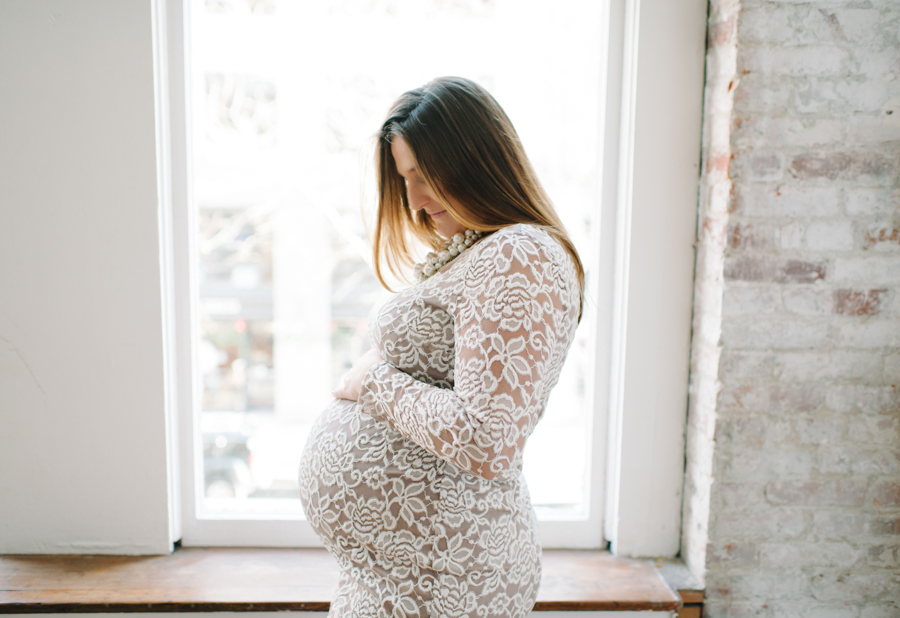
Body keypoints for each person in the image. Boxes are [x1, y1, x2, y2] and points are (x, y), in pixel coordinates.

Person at [297, 76, 585, 618]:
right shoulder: (481, 251)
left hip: (445, 577)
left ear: (476, 160)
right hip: (402, 571)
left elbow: (487, 440)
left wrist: (373, 382)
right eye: (405, 179)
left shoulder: (520, 253)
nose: (413, 200)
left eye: (424, 176)